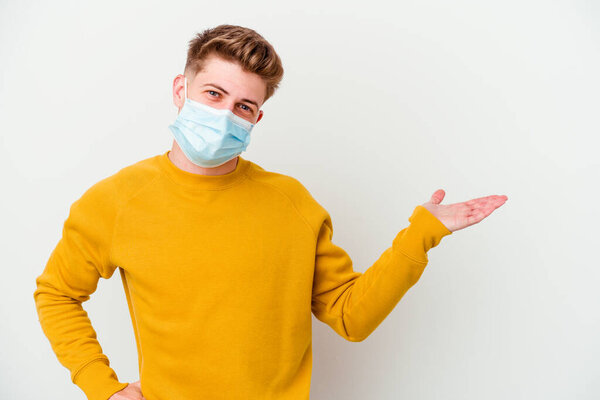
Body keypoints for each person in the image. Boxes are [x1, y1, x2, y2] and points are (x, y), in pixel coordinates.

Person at [33, 24, 508, 400]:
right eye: (213, 94)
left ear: (257, 118)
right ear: (182, 88)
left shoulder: (291, 203)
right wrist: (103, 387)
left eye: (243, 105)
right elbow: (56, 293)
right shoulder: (117, 201)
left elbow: (351, 318)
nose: (224, 115)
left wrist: (421, 233)